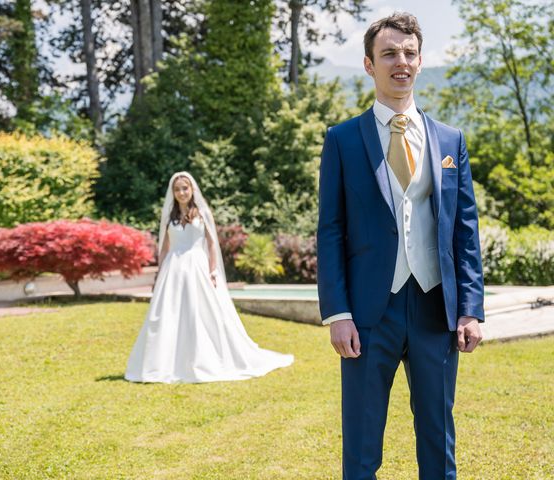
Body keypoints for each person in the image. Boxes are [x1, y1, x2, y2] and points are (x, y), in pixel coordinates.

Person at [317, 13, 484, 480]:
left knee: (438, 436)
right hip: (370, 314)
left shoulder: (449, 140)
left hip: (436, 309)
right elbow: (329, 230)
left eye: (409, 53)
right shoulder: (343, 139)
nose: (401, 62)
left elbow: (464, 230)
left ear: (420, 61)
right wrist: (338, 313)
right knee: (363, 443)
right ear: (369, 65)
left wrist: (470, 308)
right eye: (389, 53)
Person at [125, 172, 293, 383]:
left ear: (192, 189)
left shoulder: (203, 213)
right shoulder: (170, 217)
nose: (181, 192)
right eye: (177, 189)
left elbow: (212, 244)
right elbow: (165, 248)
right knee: (168, 315)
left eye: (185, 188)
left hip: (197, 266)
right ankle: (164, 363)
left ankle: (203, 358)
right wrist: (160, 273)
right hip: (173, 270)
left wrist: (212, 270)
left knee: (201, 312)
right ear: (173, 193)